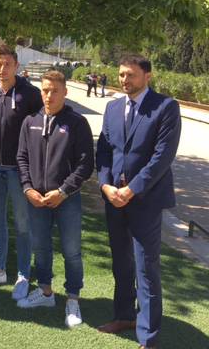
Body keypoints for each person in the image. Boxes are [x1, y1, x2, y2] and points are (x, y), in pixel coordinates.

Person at [96, 55, 181, 349]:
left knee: (146, 268)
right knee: (121, 262)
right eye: (121, 74)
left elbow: (162, 157)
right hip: (113, 199)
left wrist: (130, 190)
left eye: (130, 75)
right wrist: (105, 185)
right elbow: (104, 151)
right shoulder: (112, 107)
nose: (124, 80)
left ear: (148, 76)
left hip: (145, 201)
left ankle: (148, 336)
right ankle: (124, 316)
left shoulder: (166, 107)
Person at [16, 71, 94, 327]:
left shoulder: (77, 123)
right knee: (41, 248)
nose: (49, 95)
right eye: (45, 90)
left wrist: (62, 191)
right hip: (36, 199)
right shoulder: (30, 121)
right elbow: (22, 158)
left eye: (54, 91)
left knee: (71, 251)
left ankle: (73, 298)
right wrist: (28, 188)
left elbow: (85, 165)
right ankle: (46, 292)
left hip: (66, 199)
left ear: (65, 92)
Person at [0, 44, 42, 301]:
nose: (2, 69)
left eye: (7, 64)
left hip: (20, 170)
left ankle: (23, 274)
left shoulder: (31, 94)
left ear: (16, 66)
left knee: (23, 224)